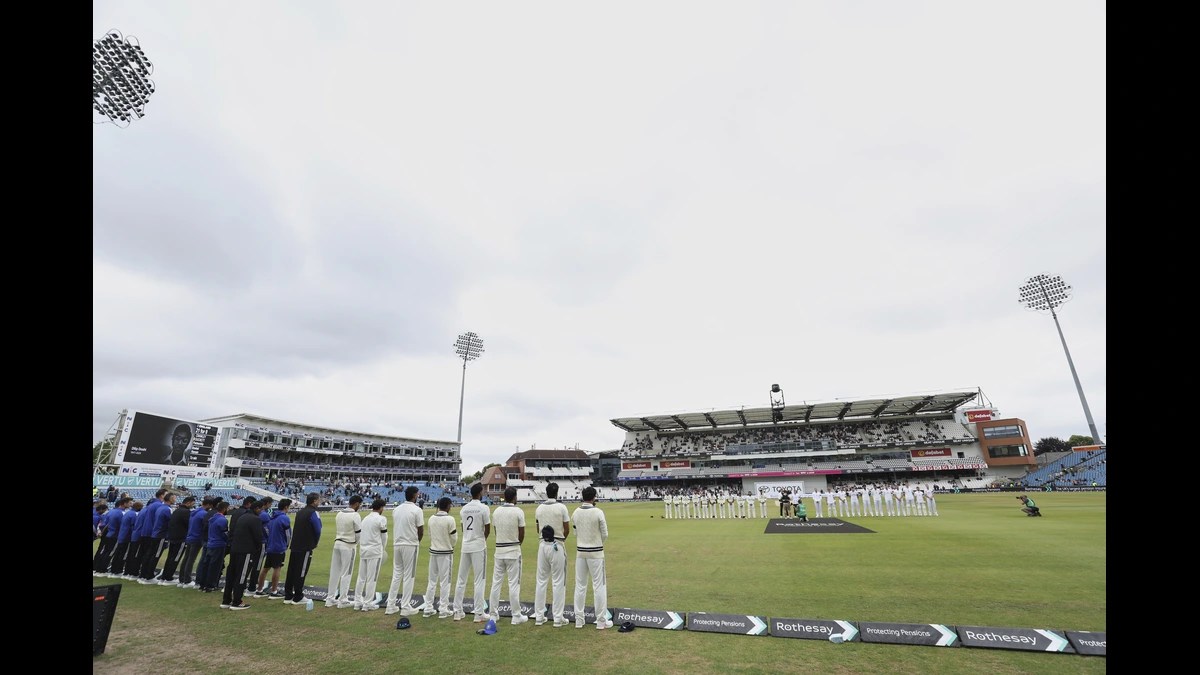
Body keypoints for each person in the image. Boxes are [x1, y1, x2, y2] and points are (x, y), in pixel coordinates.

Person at [571, 486, 612, 630]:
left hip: (581, 552)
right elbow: (605, 534)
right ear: (594, 497)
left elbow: (575, 533)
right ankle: (601, 621)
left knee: (580, 586)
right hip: (596, 553)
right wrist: (597, 543)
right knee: (599, 586)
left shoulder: (575, 512)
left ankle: (579, 620)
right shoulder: (598, 512)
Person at [533, 482, 571, 627]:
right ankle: (558, 618)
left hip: (542, 545)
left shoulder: (539, 508)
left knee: (541, 581)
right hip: (557, 545)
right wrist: (560, 541)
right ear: (557, 493)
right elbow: (566, 529)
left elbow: (538, 529)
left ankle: (539, 617)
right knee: (558, 582)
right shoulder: (561, 507)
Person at [453, 483, 491, 622]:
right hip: (478, 546)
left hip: (466, 545)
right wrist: (481, 540)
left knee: (461, 579)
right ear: (480, 493)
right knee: (479, 580)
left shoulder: (464, 509)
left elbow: (463, 527)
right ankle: (479, 613)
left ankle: (457, 611)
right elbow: (487, 528)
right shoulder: (484, 508)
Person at [489, 486, 527, 625]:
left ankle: (493, 615)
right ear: (515, 497)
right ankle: (516, 615)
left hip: (499, 551)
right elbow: (521, 533)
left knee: (496, 583)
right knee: (514, 584)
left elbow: (496, 531)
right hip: (513, 551)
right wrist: (517, 544)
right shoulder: (518, 511)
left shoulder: (496, 511)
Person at [384, 486, 425, 616]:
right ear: (414, 495)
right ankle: (406, 606)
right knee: (409, 576)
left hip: (397, 544)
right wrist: (417, 541)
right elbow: (421, 530)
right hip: (410, 544)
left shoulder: (396, 509)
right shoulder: (417, 510)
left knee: (397, 574)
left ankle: (390, 605)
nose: (418, 496)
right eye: (417, 494)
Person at [222, 500, 264, 610]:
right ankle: (237, 601)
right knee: (241, 575)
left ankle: (226, 600)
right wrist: (256, 549)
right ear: (257, 508)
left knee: (231, 575)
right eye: (261, 509)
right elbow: (258, 537)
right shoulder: (255, 519)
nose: (261, 511)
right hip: (246, 551)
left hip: (235, 549)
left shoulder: (242, 517)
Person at [421, 497, 458, 618]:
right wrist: (450, 545)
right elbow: (454, 538)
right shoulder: (450, 519)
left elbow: (430, 535)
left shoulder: (431, 518)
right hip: (445, 553)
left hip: (434, 551)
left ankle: (428, 607)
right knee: (445, 582)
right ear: (447, 506)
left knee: (432, 581)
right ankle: (443, 608)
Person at [284, 493, 323, 605]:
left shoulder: (300, 512)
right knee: (301, 570)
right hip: (305, 546)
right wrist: (315, 542)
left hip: (295, 545)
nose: (319, 502)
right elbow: (318, 529)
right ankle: (298, 596)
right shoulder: (313, 512)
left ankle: (288, 595)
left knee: (292, 570)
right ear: (314, 501)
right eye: (318, 500)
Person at [327, 495, 363, 608]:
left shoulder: (339, 513)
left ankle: (330, 598)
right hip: (348, 545)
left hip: (337, 543)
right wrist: (356, 543)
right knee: (346, 573)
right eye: (359, 504)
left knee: (334, 572)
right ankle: (343, 599)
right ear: (356, 504)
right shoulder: (355, 515)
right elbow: (358, 534)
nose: (360, 507)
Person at [354, 498, 388, 611]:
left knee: (361, 577)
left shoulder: (365, 519)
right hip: (375, 551)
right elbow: (384, 536)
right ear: (381, 508)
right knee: (372, 578)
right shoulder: (381, 519)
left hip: (364, 550)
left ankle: (357, 602)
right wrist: (382, 549)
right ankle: (367, 603)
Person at [254, 498, 292, 598]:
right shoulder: (284, 518)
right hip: (279, 547)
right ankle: (274, 591)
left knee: (265, 568)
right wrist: (287, 544)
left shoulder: (272, 517)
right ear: (286, 507)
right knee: (277, 568)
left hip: (270, 546)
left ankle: (259, 589)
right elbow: (288, 534)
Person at [158, 495, 195, 584]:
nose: (193, 505)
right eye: (192, 503)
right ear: (188, 503)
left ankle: (165, 576)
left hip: (173, 537)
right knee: (175, 558)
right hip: (180, 538)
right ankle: (168, 578)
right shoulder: (186, 512)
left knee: (170, 557)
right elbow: (189, 524)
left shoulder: (177, 510)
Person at [177, 496, 211, 588]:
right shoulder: (203, 513)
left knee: (186, 558)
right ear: (208, 505)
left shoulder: (194, 512)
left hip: (190, 536)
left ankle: (182, 579)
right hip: (197, 538)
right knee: (191, 559)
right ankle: (187, 580)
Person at [198, 501, 229, 593]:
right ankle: (210, 585)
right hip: (218, 544)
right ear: (224, 509)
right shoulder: (222, 520)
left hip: (210, 543)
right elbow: (224, 534)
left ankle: (203, 584)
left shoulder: (212, 518)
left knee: (207, 564)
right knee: (215, 566)